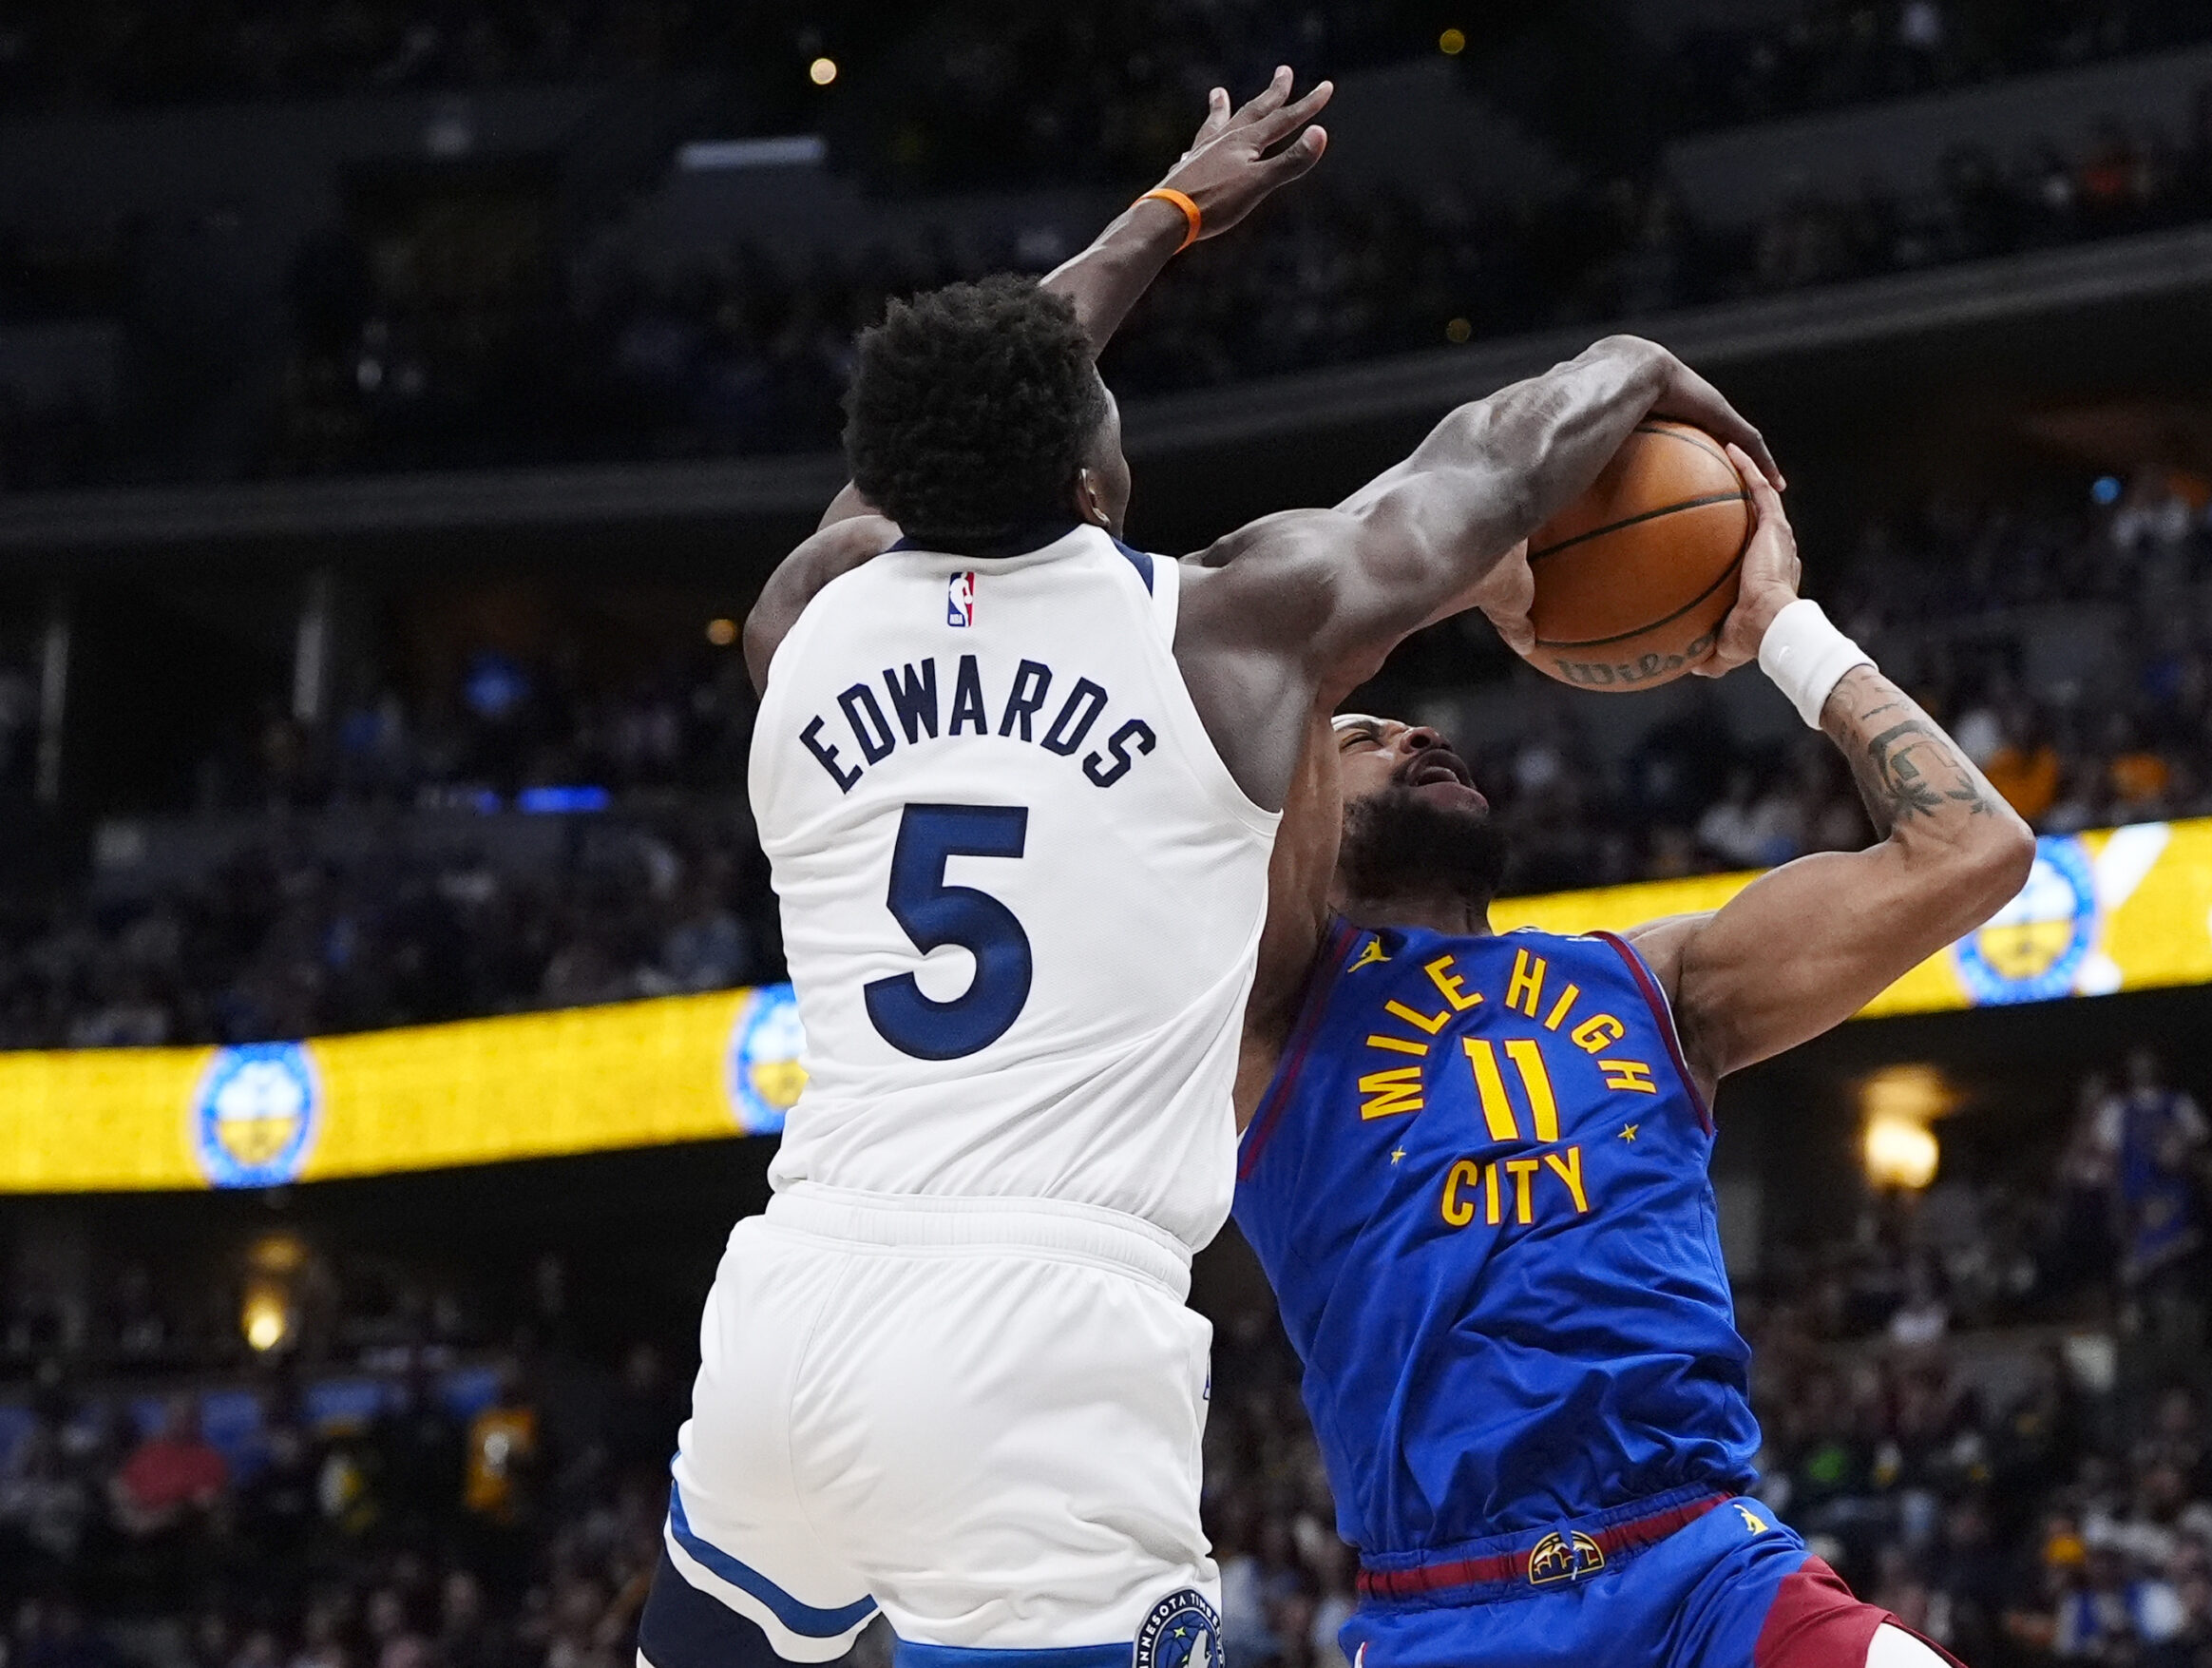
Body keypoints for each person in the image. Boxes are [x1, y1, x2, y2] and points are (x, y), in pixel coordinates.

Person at [639, 68, 1782, 1668]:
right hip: (1039, 1344)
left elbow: (955, 419)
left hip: (795, 1303)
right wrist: (1635, 360)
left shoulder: (807, 615)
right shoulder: (1226, 631)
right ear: (1098, 485)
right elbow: (1488, 459)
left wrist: (1158, 221)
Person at [1230, 449, 2032, 1668]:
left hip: (1704, 1572)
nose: (1418, 735)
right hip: (1455, 1608)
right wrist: (1462, 562)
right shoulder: (1272, 1008)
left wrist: (1781, 629)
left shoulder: (1653, 981)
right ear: (1296, 815)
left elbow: (1972, 850)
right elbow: (1289, 623)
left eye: (1417, 727)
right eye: (1370, 737)